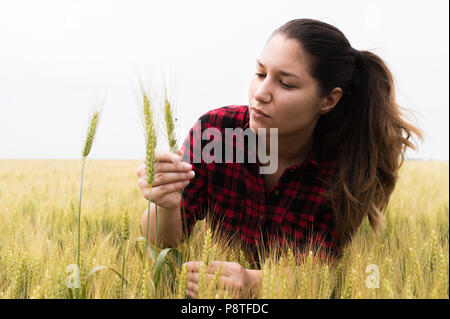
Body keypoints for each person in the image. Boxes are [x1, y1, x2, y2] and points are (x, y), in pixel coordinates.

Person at [136, 18, 423, 299]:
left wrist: (256, 283)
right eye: (260, 74)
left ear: (328, 100)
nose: (260, 94)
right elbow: (164, 243)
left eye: (286, 83)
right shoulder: (215, 133)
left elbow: (327, 273)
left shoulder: (346, 166)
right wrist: (166, 205)